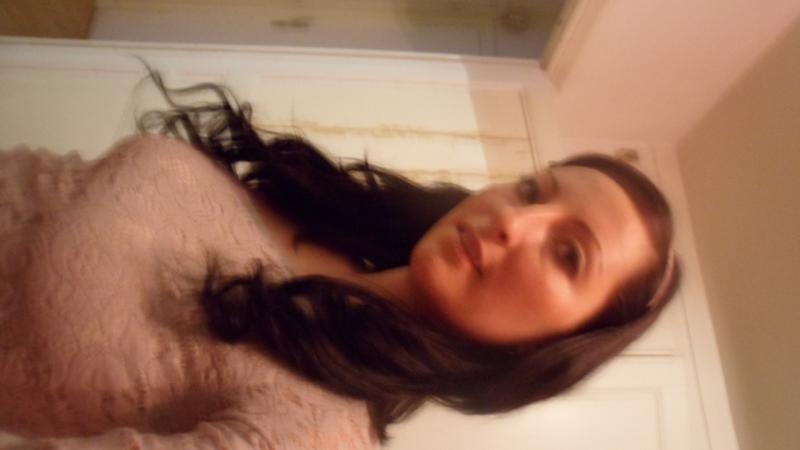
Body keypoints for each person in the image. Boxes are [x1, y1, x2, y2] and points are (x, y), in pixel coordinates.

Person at [0, 70, 680, 449]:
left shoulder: (317, 431)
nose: (513, 220)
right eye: (533, 191)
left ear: (557, 346)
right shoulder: (332, 214)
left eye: (568, 254)